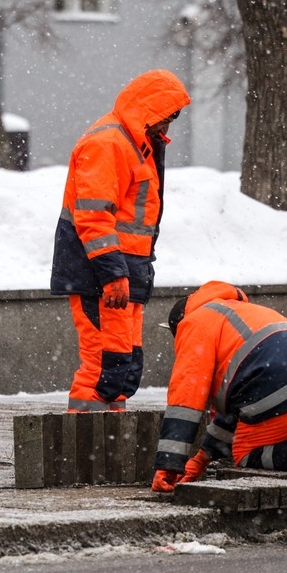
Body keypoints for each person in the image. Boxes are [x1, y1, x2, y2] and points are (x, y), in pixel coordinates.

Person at [151, 280, 287, 498]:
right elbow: (236, 413)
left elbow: (185, 399)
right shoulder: (241, 311)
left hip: (281, 384)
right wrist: (201, 459)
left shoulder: (194, 323)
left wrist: (169, 464)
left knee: (244, 453)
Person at [50, 69, 191, 413]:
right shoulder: (109, 144)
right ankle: (83, 437)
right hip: (103, 275)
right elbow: (93, 216)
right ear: (150, 110)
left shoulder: (134, 144)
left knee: (120, 368)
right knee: (103, 366)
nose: (167, 126)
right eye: (167, 116)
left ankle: (109, 436)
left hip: (122, 273)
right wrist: (113, 274)